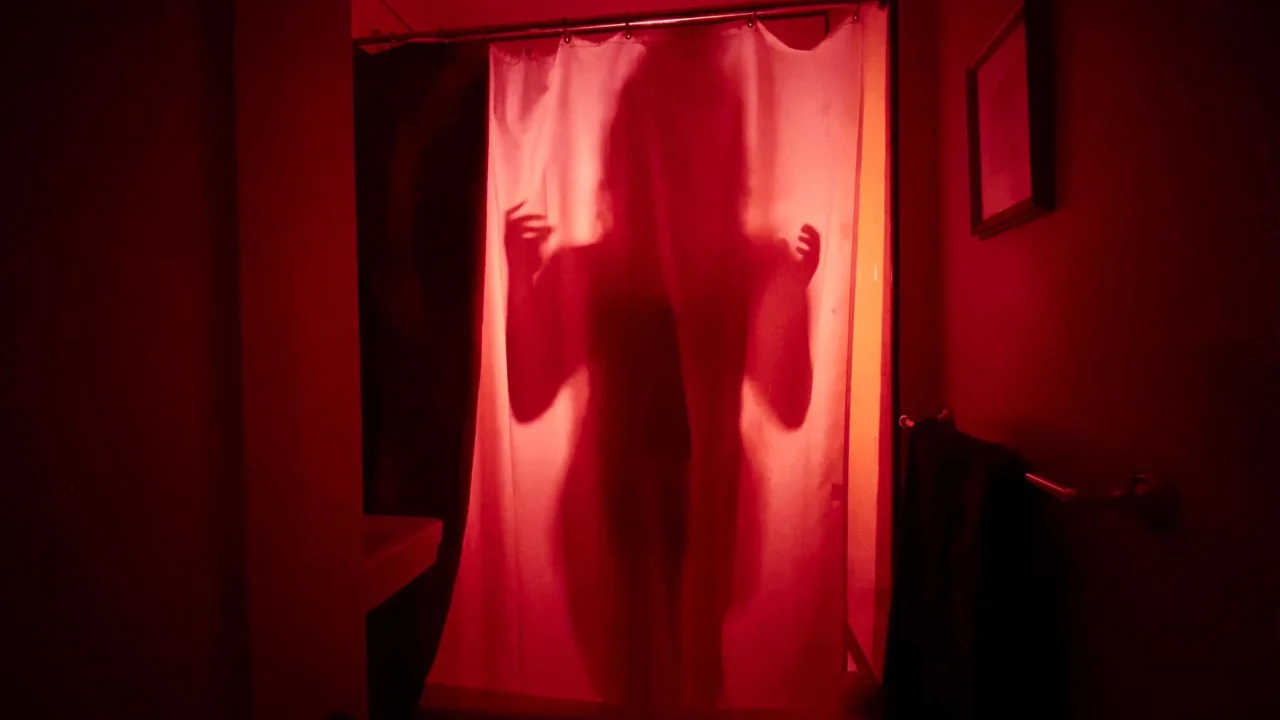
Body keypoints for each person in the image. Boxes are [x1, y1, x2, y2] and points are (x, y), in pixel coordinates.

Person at [503, 28, 819, 712]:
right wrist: (519, 286)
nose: (681, 161)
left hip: (705, 513)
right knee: (649, 687)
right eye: (668, 141)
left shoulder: (745, 266)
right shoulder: (597, 269)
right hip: (613, 517)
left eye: (695, 140)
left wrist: (792, 300)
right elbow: (527, 398)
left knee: (686, 683)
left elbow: (791, 403)